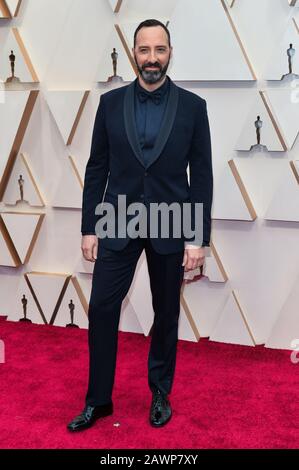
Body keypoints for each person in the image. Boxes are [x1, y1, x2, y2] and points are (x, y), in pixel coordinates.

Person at [67, 18, 213, 432]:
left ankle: (160, 394)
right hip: (117, 218)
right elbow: (96, 169)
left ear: (170, 53)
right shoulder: (109, 104)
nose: (152, 58)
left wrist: (197, 236)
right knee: (101, 309)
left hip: (171, 221)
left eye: (159, 50)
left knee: (165, 313)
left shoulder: (193, 107)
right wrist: (89, 226)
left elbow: (201, 176)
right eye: (144, 50)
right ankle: (98, 401)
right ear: (134, 53)